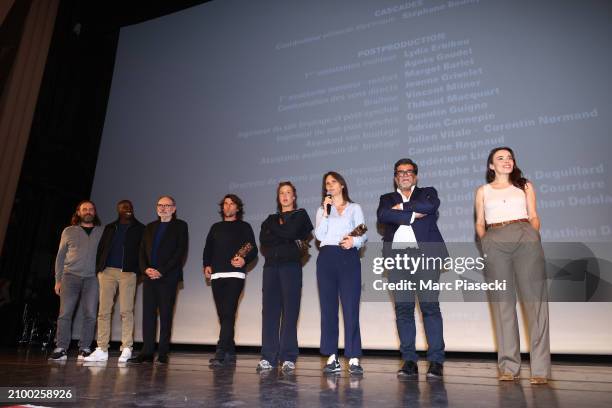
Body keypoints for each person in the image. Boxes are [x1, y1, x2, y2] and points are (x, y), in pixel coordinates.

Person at [474, 146, 550, 385]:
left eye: (509, 157)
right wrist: (486, 242)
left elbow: (534, 214)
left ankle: (540, 370)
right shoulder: (483, 191)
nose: (506, 161)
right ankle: (509, 367)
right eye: (500, 158)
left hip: (524, 235)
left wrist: (532, 235)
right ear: (491, 166)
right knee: (503, 304)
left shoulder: (524, 185)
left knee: (535, 303)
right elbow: (479, 223)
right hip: (495, 239)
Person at [376, 158, 447, 378]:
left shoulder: (427, 192)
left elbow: (430, 206)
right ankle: (409, 361)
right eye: (400, 172)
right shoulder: (386, 199)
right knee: (404, 310)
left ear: (415, 176)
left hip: (425, 257)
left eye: (409, 172)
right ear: (395, 177)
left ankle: (435, 361)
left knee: (429, 308)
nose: (405, 175)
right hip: (398, 259)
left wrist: (403, 208)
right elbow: (384, 215)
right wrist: (413, 214)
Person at [257, 182, 313, 373]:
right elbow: (264, 239)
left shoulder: (301, 215)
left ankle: (288, 357)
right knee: (270, 313)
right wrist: (287, 235)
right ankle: (268, 357)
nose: (285, 196)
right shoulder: (270, 218)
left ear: (294, 196)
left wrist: (278, 232)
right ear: (278, 197)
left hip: (291, 267)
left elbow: (291, 232)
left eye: (288, 192)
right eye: (282, 193)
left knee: (290, 313)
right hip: (271, 268)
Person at [314, 171, 367, 375]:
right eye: (327, 183)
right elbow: (319, 236)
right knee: (328, 310)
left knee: (351, 308)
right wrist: (327, 212)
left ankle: (353, 357)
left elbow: (362, 233)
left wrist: (353, 241)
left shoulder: (355, 208)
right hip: (327, 257)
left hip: (348, 258)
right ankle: (331, 357)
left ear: (342, 185)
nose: (330, 186)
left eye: (333, 182)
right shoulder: (322, 210)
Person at [128, 195, 188, 364]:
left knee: (166, 314)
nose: (163, 208)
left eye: (167, 205)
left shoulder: (180, 226)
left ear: (174, 209)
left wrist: (161, 270)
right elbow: (141, 252)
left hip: (167, 277)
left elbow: (180, 252)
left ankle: (163, 352)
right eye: (160, 205)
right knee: (148, 315)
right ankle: (146, 352)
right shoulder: (149, 227)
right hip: (149, 277)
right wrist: (145, 269)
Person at [85, 200, 144, 363]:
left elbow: (143, 251)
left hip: (128, 273)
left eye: (130, 207)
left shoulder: (140, 228)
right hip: (107, 272)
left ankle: (127, 348)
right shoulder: (110, 227)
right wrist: (99, 269)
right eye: (124, 207)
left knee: (126, 311)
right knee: (104, 311)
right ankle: (102, 348)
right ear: (118, 210)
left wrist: (137, 271)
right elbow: (101, 248)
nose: (127, 210)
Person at [203, 194, 258, 366]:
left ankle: (220, 352)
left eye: (231, 204)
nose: (227, 206)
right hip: (217, 275)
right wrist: (207, 265)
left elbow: (252, 248)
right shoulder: (215, 227)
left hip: (235, 275)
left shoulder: (244, 226)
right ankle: (231, 350)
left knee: (228, 312)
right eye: (225, 204)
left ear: (238, 208)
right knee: (224, 315)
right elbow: (208, 249)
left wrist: (243, 259)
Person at [49, 200, 104, 361]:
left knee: (91, 314)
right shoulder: (68, 231)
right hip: (69, 276)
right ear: (78, 212)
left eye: (91, 209)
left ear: (94, 212)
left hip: (93, 278)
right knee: (65, 313)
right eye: (84, 209)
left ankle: (85, 347)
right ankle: (61, 347)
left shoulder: (102, 232)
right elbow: (59, 257)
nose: (88, 211)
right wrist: (58, 280)